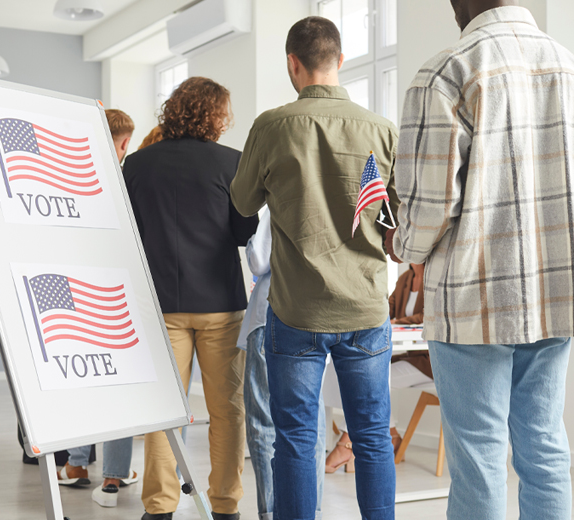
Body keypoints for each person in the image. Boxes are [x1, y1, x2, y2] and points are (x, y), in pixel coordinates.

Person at [385, 1, 574, 518]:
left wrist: (401, 246)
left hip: (472, 292)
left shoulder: (447, 71)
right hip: (558, 288)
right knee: (545, 443)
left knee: (479, 453)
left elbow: (431, 206)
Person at [231, 16, 400, 520]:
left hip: (297, 310)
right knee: (371, 436)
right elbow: (398, 218)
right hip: (366, 307)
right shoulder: (382, 130)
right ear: (340, 61)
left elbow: (242, 204)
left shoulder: (271, 126)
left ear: (292, 64)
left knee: (296, 439)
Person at [123, 77, 258, 520]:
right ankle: (225, 506)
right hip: (220, 302)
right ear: (217, 115)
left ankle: (159, 508)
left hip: (160, 303)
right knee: (226, 411)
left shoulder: (137, 165)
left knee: (162, 412)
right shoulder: (232, 163)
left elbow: (130, 234)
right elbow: (244, 233)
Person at [58, 108, 139, 509]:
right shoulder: (127, 180)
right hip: (116, 292)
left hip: (76, 289)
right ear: (124, 141)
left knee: (84, 379)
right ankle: (112, 475)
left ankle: (76, 465)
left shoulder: (71, 174)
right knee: (118, 384)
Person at [237, 208, 327, 520]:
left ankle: (273, 511)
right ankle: (308, 509)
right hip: (317, 317)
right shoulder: (332, 197)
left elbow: (259, 260)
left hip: (272, 313)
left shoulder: (280, 201)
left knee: (264, 420)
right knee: (309, 419)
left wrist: (252, 238)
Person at [325, 263, 429, 471]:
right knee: (344, 370)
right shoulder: (406, 278)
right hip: (409, 356)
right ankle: (391, 435)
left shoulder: (433, 275)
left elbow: (427, 316)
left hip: (429, 362)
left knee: (374, 380)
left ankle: (348, 441)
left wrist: (398, 321)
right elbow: (385, 308)